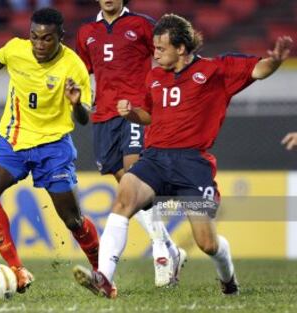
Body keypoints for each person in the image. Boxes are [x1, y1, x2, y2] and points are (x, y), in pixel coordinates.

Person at [73, 14, 293, 298]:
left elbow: (258, 70)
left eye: (161, 48)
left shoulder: (216, 70)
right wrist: (132, 114)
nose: (156, 54)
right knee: (125, 195)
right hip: (154, 158)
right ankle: (104, 277)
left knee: (207, 244)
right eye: (154, 48)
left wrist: (274, 61)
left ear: (181, 48)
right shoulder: (154, 76)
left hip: (192, 164)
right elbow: (150, 116)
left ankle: (228, 280)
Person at [0, 8, 101, 294]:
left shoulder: (74, 66)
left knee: (72, 220)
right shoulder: (16, 49)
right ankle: (17, 270)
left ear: (60, 37)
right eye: (34, 37)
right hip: (13, 139)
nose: (39, 45)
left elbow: (85, 117)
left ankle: (102, 273)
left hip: (53, 145)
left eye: (47, 39)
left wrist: (75, 104)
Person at [75, 0, 185, 287]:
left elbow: (166, 57)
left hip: (135, 111)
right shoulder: (87, 31)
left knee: (134, 174)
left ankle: (160, 251)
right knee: (125, 181)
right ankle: (172, 249)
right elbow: (83, 71)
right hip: (103, 116)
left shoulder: (142, 24)